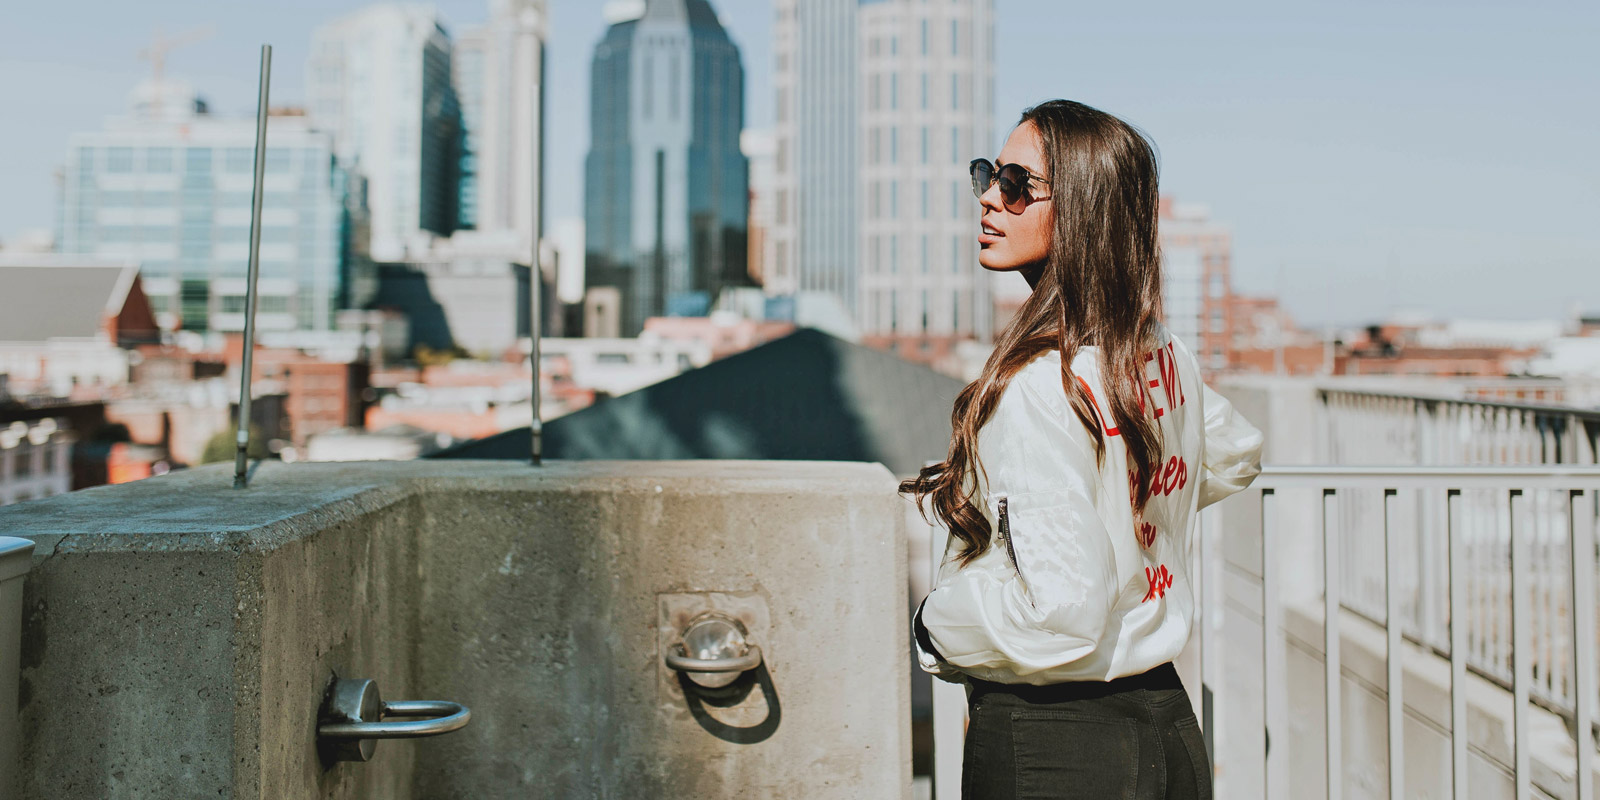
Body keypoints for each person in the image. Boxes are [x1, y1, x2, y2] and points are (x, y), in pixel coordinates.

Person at [903, 99, 1264, 800]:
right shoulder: (1152, 350)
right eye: (989, 174)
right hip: (1166, 727)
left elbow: (1062, 615)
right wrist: (1127, 510)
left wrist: (935, 622)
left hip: (1055, 743)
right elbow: (1234, 452)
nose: (987, 197)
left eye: (1015, 183)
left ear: (1083, 209)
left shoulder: (1039, 383)